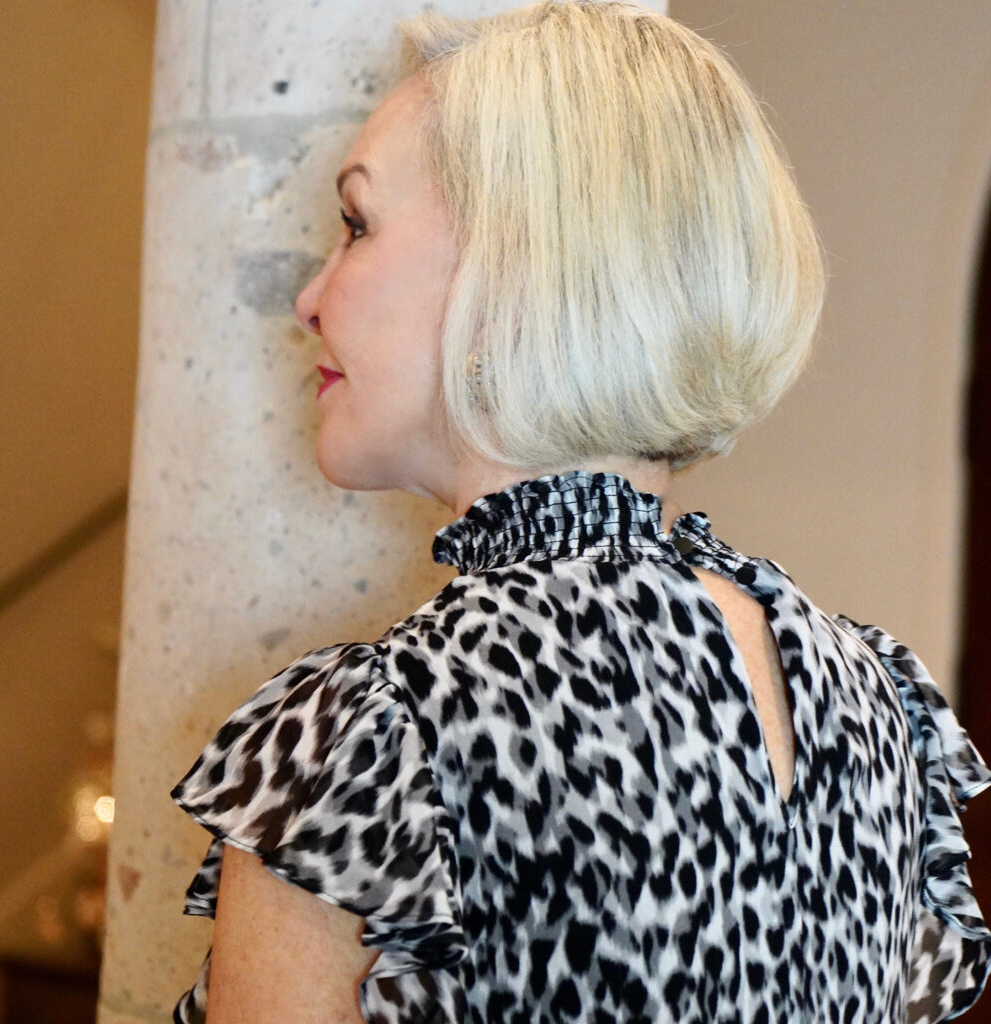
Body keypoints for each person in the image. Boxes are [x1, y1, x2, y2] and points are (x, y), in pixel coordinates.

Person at [170, 3, 991, 1022]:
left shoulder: (373, 738)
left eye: (356, 224)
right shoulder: (874, 703)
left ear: (508, 273)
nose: (308, 298)